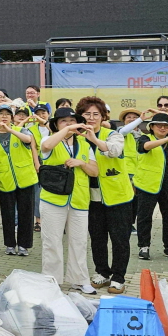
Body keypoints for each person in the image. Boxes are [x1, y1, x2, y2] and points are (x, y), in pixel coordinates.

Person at [77, 97, 133, 294]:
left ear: (103, 117)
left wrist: (93, 139)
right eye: (87, 114)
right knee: (97, 238)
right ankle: (102, 272)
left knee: (119, 239)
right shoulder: (75, 137)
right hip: (91, 198)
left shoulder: (114, 135)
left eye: (96, 114)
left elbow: (115, 151)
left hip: (118, 197)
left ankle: (119, 277)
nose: (91, 118)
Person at [39, 107, 98, 295]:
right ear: (56, 124)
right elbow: (46, 147)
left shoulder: (85, 144)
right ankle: (51, 280)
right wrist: (65, 131)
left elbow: (94, 171)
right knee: (52, 241)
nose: (69, 124)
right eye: (63, 121)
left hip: (79, 199)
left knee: (79, 242)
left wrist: (81, 163)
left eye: (72, 121)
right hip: (53, 198)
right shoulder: (49, 140)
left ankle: (79, 279)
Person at [133, 113, 168, 262]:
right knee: (145, 216)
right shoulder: (145, 138)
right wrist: (167, 139)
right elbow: (145, 147)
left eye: (166, 125)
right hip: (147, 184)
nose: (162, 128)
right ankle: (144, 246)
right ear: (151, 127)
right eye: (158, 125)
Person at [0, 104, 37, 257]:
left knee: (26, 214)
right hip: (5, 179)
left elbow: (28, 140)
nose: (4, 117)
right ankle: (9, 244)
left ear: (12, 117)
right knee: (7, 214)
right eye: (0, 114)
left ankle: (24, 245)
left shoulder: (21, 131)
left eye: (7, 114)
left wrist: (10, 130)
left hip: (25, 178)